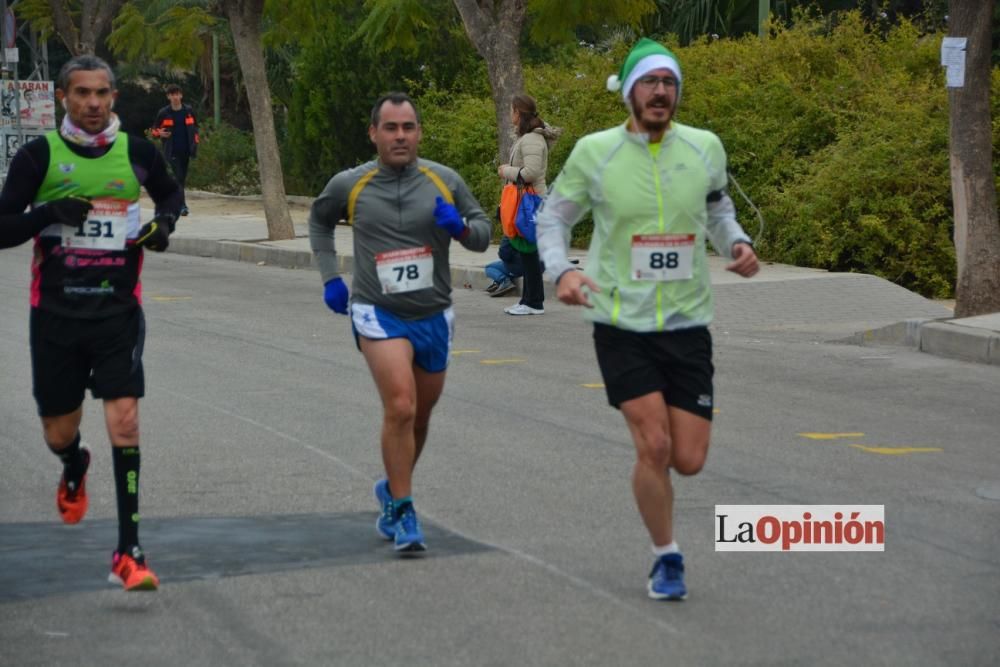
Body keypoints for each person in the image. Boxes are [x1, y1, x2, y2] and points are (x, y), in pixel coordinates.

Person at [536, 38, 759, 600]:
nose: (661, 92)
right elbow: (552, 219)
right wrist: (561, 271)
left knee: (689, 458)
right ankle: (667, 556)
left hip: (688, 323)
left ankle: (665, 535)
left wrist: (736, 243)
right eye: (650, 82)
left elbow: (717, 210)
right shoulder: (595, 152)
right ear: (630, 91)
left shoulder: (705, 147)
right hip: (621, 323)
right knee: (654, 447)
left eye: (670, 83)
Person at [0, 55, 182, 591]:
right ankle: (74, 463)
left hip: (117, 313)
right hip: (55, 315)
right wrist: (49, 213)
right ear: (64, 97)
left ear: (114, 98)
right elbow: (3, 226)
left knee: (125, 421)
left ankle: (129, 551)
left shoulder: (137, 153)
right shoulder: (39, 156)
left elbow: (170, 194)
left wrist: (164, 224)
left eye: (102, 93)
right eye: (82, 93)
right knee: (59, 428)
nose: (94, 103)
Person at [309, 92, 490, 553]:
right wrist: (332, 278)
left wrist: (462, 229)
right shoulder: (350, 184)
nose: (400, 136)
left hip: (433, 313)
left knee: (421, 416)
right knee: (402, 406)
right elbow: (319, 220)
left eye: (408, 127)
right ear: (373, 133)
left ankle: (392, 487)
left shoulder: (443, 180)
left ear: (419, 132)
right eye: (390, 128)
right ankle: (405, 511)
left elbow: (483, 231)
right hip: (378, 310)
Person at [498, 94, 560, 315]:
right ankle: (529, 300)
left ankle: (534, 302)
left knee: (528, 252)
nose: (510, 114)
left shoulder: (532, 139)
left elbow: (532, 172)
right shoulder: (527, 137)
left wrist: (507, 171)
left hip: (531, 202)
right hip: (527, 200)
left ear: (518, 113)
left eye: (511, 110)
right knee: (527, 252)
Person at [152, 84, 198, 216]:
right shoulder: (164, 113)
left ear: (181, 95)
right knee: (178, 178)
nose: (175, 97)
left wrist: (195, 143)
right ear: (168, 97)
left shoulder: (188, 110)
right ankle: (182, 206)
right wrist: (159, 133)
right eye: (172, 95)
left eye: (177, 94)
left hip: (187, 151)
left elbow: (195, 127)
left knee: (182, 179)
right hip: (171, 151)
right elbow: (154, 130)